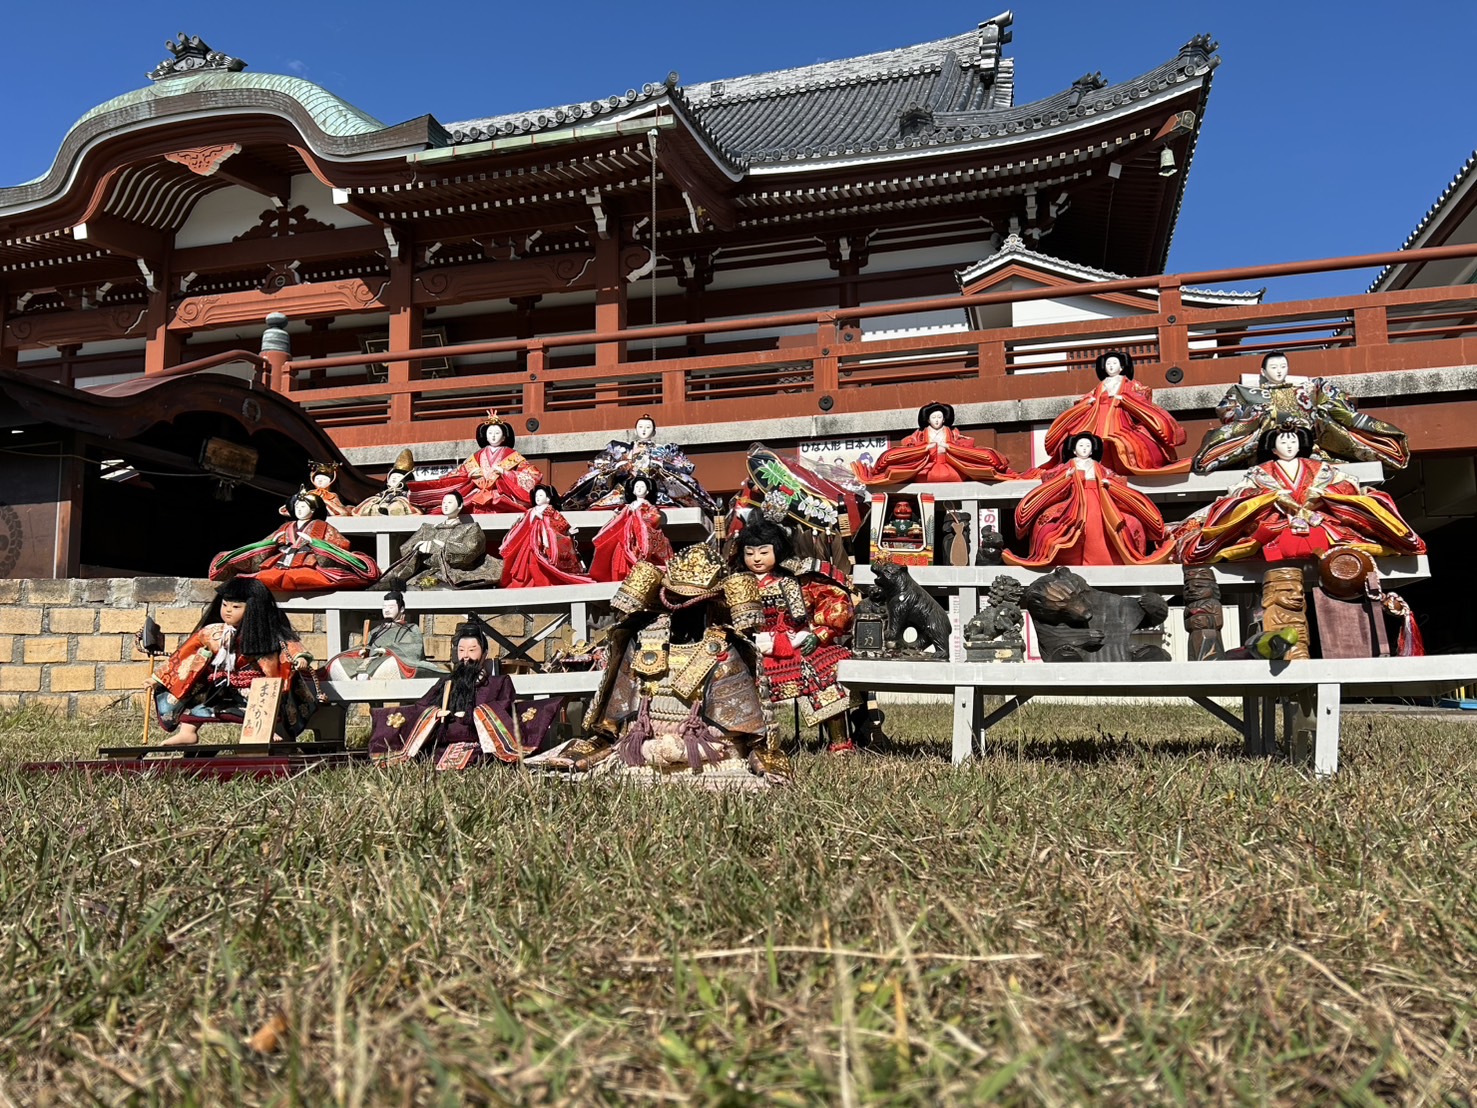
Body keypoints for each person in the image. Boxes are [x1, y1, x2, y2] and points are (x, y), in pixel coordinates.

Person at [554, 543, 788, 786]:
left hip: (708, 755)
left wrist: (765, 760)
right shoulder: (644, 640)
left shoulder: (726, 647)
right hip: (641, 752)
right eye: (677, 598)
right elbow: (613, 719)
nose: (686, 609)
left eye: (693, 601)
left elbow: (751, 730)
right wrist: (599, 744)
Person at [1176, 425, 1426, 565]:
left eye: (1293, 442)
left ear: (1301, 444)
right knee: (1242, 518)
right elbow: (1241, 493)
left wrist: (1324, 495)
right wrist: (1271, 497)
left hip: (1318, 519)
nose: (1288, 446)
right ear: (1272, 448)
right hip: (1277, 521)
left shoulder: (1320, 469)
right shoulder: (1261, 471)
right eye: (1283, 443)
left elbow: (1348, 485)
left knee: (1366, 510)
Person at [734, 520, 862, 753]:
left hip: (799, 642)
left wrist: (820, 634)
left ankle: (840, 742)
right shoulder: (735, 582)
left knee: (827, 668)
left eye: (764, 552)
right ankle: (746, 743)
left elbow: (834, 602)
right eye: (749, 553)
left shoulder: (797, 577)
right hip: (753, 648)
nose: (756, 559)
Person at [368, 619, 563, 769]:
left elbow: (505, 710)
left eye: (472, 650)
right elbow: (421, 707)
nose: (466, 656)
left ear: (484, 654)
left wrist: (477, 714)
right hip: (441, 749)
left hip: (479, 748)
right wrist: (434, 715)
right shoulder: (446, 682)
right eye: (461, 650)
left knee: (483, 759)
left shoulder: (499, 683)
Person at [151, 578, 320, 746]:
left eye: (236, 607)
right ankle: (188, 732)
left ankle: (270, 729)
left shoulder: (268, 634)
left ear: (254, 609)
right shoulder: (212, 632)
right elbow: (185, 653)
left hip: (254, 685)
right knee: (196, 697)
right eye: (225, 605)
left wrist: (300, 658)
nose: (228, 611)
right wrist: (158, 678)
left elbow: (289, 647)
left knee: (266, 700)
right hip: (219, 684)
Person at [1192, 350, 1410, 474]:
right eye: (1273, 367)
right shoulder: (1247, 392)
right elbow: (1226, 409)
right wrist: (1255, 414)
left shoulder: (1309, 388)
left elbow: (1338, 398)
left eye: (1282, 367)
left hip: (1310, 447)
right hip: (1264, 450)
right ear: (1263, 371)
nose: (1279, 371)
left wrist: (1323, 412)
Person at [1007, 433, 1172, 567]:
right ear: (1073, 449)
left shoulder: (1098, 467)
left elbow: (1114, 477)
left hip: (1099, 499)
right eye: (1081, 446)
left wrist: (1108, 483)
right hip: (1073, 501)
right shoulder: (1067, 466)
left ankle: (1106, 557)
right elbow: (1049, 477)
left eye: (1088, 446)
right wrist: (1065, 477)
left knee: (1114, 524)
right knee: (1053, 526)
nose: (1084, 449)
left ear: (1093, 450)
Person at [1042, 351, 1190, 475]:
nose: (1111, 366)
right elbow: (1089, 396)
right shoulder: (1101, 385)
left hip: (1120, 417)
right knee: (1088, 440)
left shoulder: (1131, 384)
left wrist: (1125, 398)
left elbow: (1141, 397)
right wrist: (1088, 401)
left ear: (1121, 367)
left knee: (1128, 442)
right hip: (1099, 417)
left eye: (1114, 363)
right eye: (1108, 364)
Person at [210, 489, 380, 591]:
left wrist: (315, 543)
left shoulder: (322, 526)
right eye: (297, 506)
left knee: (306, 577)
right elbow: (267, 542)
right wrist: (273, 543)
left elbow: (340, 544)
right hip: (282, 560)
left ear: (314, 509)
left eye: (304, 506)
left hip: (309, 561)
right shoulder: (286, 527)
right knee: (264, 577)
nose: (299, 509)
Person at [561, 414, 720, 511]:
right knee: (598, 505)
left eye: (648, 427)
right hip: (626, 490)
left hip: (656, 491)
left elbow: (685, 466)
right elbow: (598, 464)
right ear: (636, 430)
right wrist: (617, 467)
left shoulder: (664, 450)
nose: (644, 430)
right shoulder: (622, 449)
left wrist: (663, 466)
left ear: (654, 431)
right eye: (641, 427)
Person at [406, 411, 543, 513]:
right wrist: (470, 474)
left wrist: (506, 473)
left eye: (497, 433)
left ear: (504, 437)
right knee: (452, 506)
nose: (493, 436)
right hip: (477, 493)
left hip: (500, 493)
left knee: (507, 505)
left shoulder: (512, 456)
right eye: (490, 433)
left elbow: (533, 474)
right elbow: (457, 473)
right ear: (485, 436)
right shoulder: (477, 456)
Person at [855, 402, 1017, 486]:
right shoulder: (918, 435)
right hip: (925, 470)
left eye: (940, 417)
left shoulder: (954, 434)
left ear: (945, 419)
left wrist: (950, 447)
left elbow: (965, 446)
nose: (937, 420)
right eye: (934, 418)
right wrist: (924, 448)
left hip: (951, 469)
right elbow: (908, 447)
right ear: (927, 419)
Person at [381, 491, 503, 590]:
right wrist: (417, 548)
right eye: (444, 502)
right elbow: (405, 549)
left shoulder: (471, 528)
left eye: (450, 502)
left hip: (458, 574)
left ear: (460, 506)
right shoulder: (427, 529)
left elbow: (469, 551)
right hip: (426, 574)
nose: (445, 505)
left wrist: (437, 547)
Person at [325, 591, 446, 680]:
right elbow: (365, 646)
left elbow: (415, 650)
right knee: (338, 662)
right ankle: (358, 676)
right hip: (370, 661)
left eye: (391, 607)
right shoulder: (376, 630)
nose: (387, 610)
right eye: (384, 607)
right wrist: (364, 651)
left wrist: (387, 650)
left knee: (389, 663)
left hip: (392, 660)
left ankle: (366, 675)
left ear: (402, 608)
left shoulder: (411, 628)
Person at [499, 484, 594, 588]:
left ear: (548, 498)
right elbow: (524, 523)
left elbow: (560, 524)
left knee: (541, 562)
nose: (538, 498)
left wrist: (567, 530)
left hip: (545, 543)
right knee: (527, 560)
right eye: (536, 496)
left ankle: (544, 579)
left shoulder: (550, 511)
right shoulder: (530, 511)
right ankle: (528, 581)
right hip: (529, 541)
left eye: (540, 495)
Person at [589, 475, 674, 582]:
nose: (639, 489)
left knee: (639, 553)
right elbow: (621, 518)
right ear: (633, 490)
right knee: (621, 551)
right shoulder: (629, 506)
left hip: (641, 536)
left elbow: (655, 518)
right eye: (637, 486)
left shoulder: (649, 506)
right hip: (627, 535)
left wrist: (639, 515)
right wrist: (619, 515)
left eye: (642, 487)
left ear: (647, 491)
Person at [352, 449, 422, 516]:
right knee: (371, 504)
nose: (394, 478)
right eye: (392, 477)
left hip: (399, 500)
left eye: (398, 477)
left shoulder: (406, 495)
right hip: (382, 500)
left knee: (397, 505)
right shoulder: (383, 493)